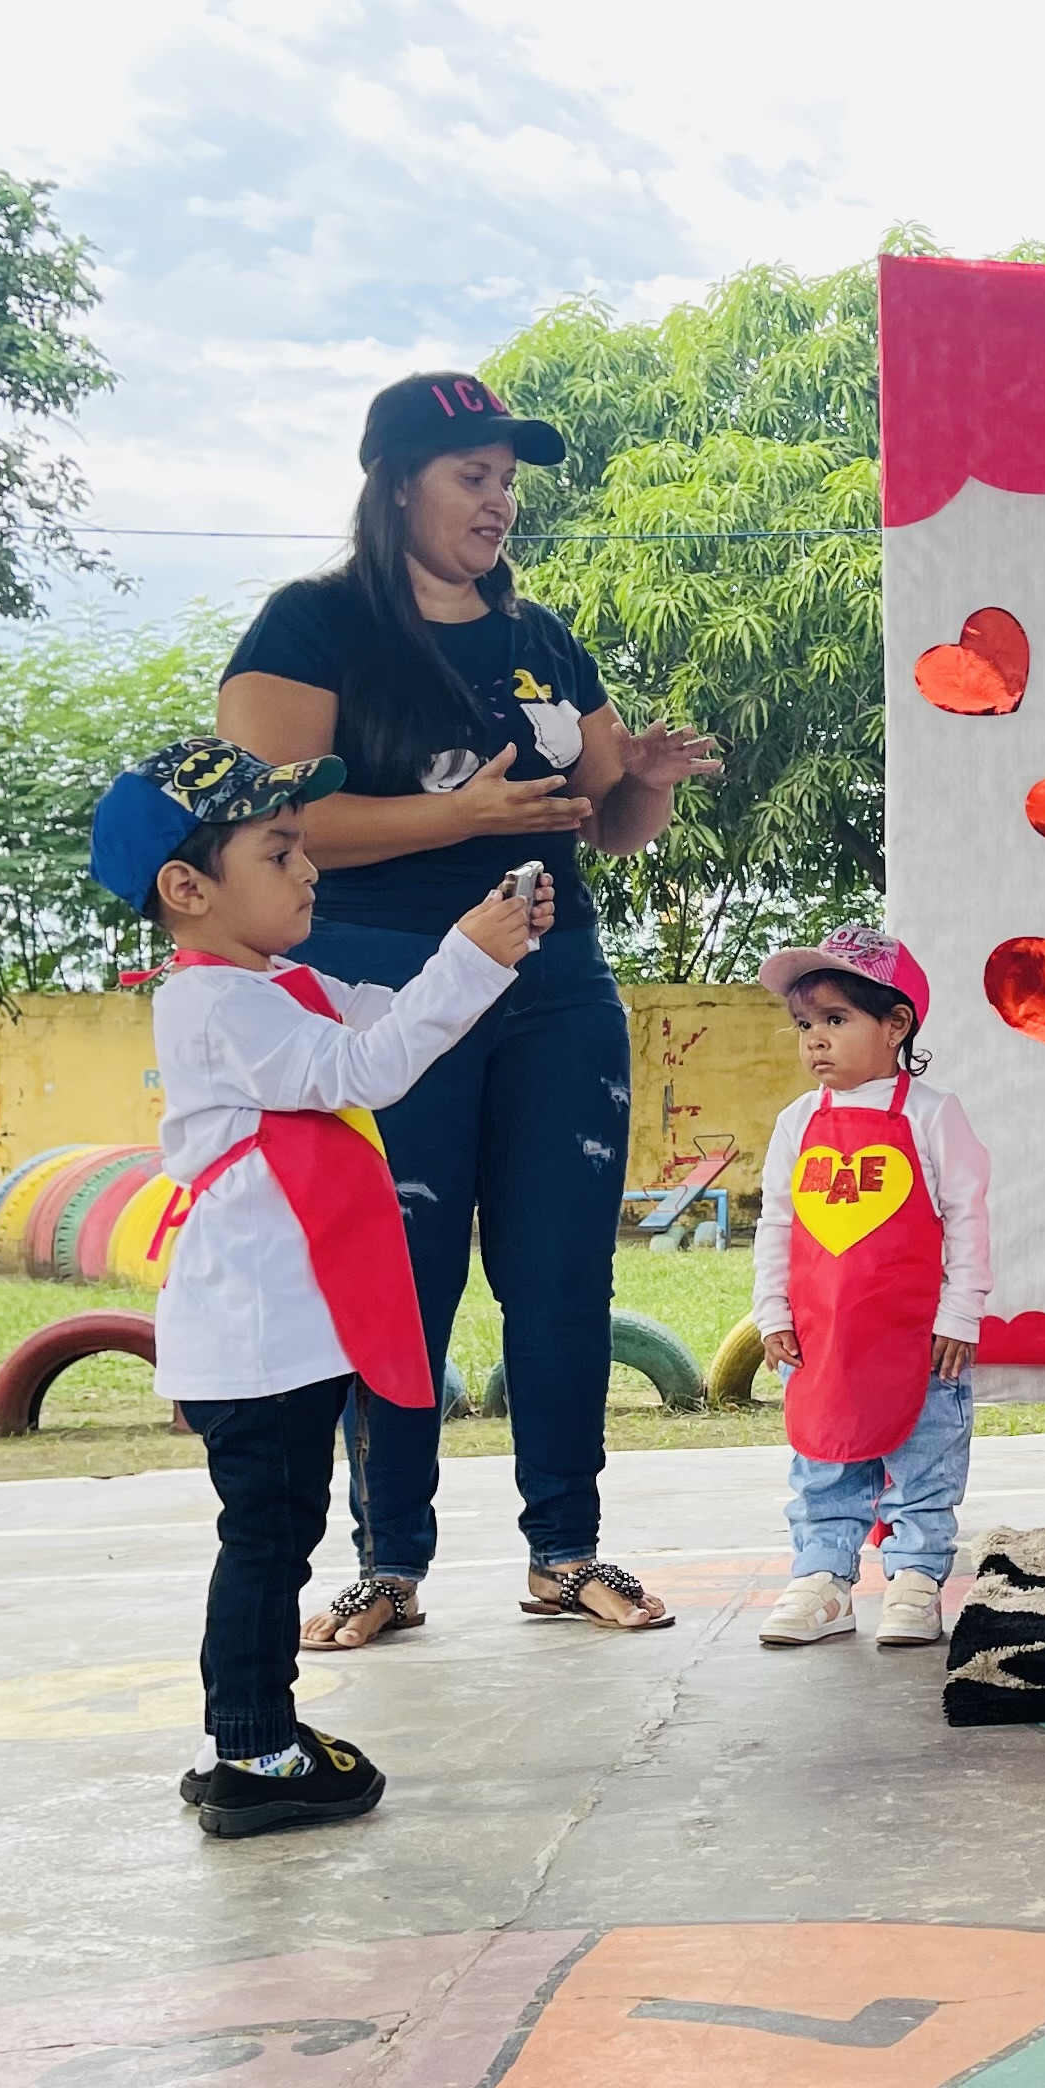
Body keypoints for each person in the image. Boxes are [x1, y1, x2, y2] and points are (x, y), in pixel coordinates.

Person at [222, 371, 725, 1645]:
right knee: (406, 1273)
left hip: (554, 987)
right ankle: (388, 1562)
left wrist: (649, 785)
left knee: (562, 1275)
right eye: (471, 477)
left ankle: (568, 1551)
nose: (499, 502)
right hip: (386, 982)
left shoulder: (543, 640)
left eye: (508, 479)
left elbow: (606, 823)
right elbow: (265, 819)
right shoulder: (313, 625)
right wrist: (458, 818)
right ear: (396, 482)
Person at [98, 738, 538, 1839]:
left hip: (288, 1331)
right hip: (256, 1339)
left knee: (273, 1533)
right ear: (188, 888)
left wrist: (477, 950)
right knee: (266, 1539)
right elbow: (366, 1068)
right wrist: (470, 960)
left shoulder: (279, 986)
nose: (309, 870)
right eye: (279, 849)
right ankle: (251, 1750)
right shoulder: (212, 1006)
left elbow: (381, 1017)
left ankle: (250, 1738)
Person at [747, 928, 986, 1653]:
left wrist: (960, 1315)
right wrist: (772, 1312)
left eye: (836, 1020)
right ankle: (823, 1579)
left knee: (924, 1460)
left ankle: (916, 1579)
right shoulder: (798, 1122)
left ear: (896, 1024)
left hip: (919, 1340)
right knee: (826, 1459)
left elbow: (969, 1220)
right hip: (823, 1337)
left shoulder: (932, 1115)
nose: (815, 1041)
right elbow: (776, 1223)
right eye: (804, 1026)